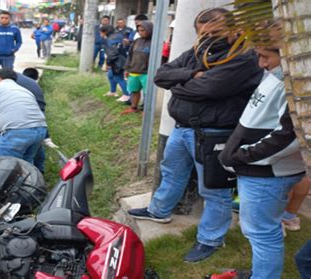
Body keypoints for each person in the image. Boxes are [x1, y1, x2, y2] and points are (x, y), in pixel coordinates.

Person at [127, 8, 263, 263]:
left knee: (215, 189)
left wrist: (181, 86)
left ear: (234, 30)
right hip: (182, 128)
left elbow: (211, 87)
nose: (209, 37)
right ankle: (159, 211)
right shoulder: (197, 51)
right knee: (171, 172)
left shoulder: (245, 56)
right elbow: (160, 75)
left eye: (216, 32)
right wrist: (192, 75)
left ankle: (211, 238)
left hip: (215, 133)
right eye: (203, 32)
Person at [218, 46, 305, 279]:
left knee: (262, 233)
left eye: (266, 56)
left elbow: (291, 136)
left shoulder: (297, 83)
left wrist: (240, 156)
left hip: (267, 173)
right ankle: (262, 272)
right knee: (262, 231)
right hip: (262, 170)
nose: (261, 64)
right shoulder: (279, 75)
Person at [0, 69, 47, 164]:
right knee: (26, 164)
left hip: (18, 131)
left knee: (6, 165)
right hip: (40, 129)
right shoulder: (24, 90)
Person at [121, 21, 153, 114]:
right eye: (139, 30)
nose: (140, 32)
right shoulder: (136, 41)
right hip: (134, 72)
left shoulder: (155, 42)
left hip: (147, 73)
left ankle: (146, 111)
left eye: (143, 30)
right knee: (134, 90)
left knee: (148, 93)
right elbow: (130, 56)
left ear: (149, 30)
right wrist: (127, 69)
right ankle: (134, 108)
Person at [101, 25, 130, 101]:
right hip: (123, 58)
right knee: (110, 75)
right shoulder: (119, 35)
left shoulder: (110, 39)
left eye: (101, 32)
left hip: (117, 61)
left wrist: (108, 63)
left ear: (105, 32)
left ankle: (127, 95)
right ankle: (113, 91)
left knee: (118, 77)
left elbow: (112, 53)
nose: (101, 34)